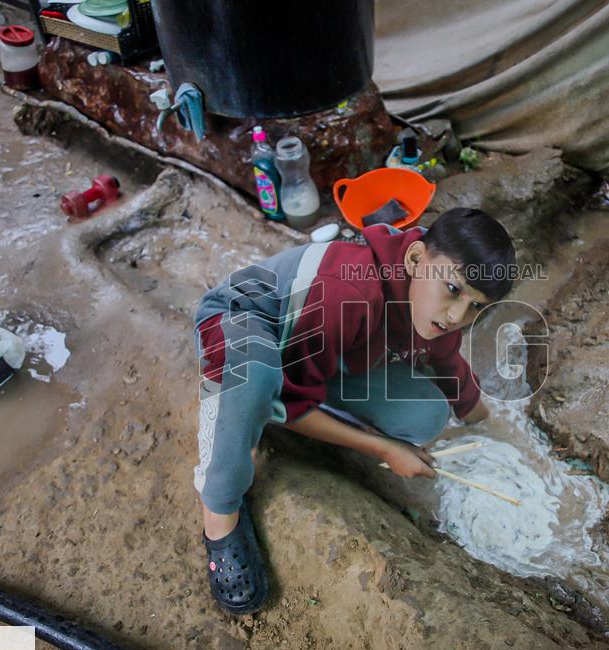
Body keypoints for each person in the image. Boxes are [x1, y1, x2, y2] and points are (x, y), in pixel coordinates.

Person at [192, 207, 516, 614]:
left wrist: (487, 424)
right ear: (416, 259)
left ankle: (298, 396)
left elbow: (450, 367)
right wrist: (382, 448)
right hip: (244, 323)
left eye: (475, 307)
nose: (457, 316)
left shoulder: (431, 306)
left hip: (320, 350)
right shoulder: (347, 290)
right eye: (452, 289)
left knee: (427, 416)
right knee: (257, 378)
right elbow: (294, 402)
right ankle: (219, 511)